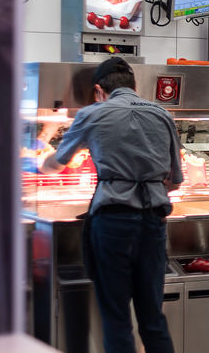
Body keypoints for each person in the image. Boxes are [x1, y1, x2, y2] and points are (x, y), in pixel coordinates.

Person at [40, 57, 183, 353]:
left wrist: (39, 161)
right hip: (153, 222)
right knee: (153, 320)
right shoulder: (162, 114)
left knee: (117, 320)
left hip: (113, 222)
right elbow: (176, 180)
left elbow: (57, 164)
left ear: (98, 90)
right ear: (134, 86)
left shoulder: (92, 114)